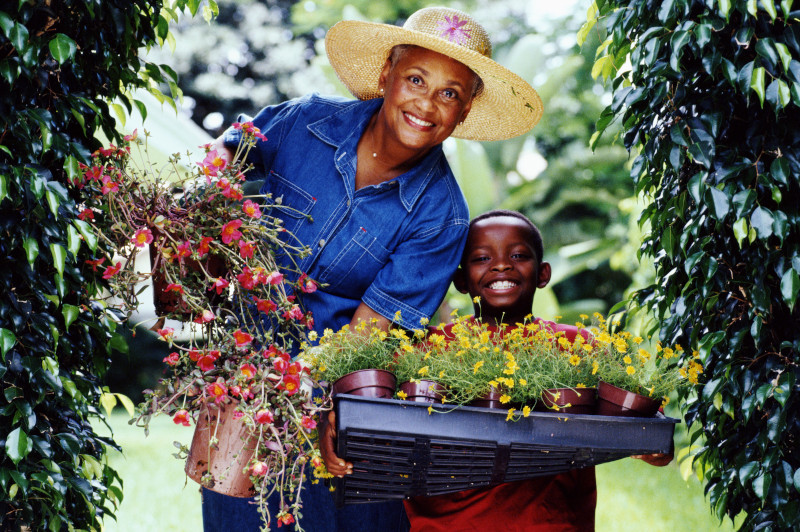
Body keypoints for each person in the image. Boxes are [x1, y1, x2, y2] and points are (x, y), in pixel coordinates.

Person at [201, 7, 543, 531]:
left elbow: (371, 328)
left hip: (340, 384)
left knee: (329, 513)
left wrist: (319, 404)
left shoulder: (441, 216)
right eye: (415, 79)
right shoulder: (306, 123)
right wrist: (191, 207)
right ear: (386, 74)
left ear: (465, 111)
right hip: (242, 366)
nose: (427, 104)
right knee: (234, 514)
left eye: (450, 94)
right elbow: (228, 152)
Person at [403, 209, 673, 532]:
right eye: (481, 258)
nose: (501, 265)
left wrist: (653, 443)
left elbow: (638, 420)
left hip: (551, 523)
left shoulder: (579, 346)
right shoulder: (429, 348)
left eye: (518, 255)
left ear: (543, 274)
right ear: (461, 280)